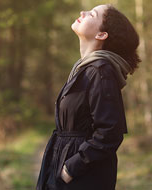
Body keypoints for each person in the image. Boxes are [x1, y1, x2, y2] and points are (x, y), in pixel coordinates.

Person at [36, 4, 140, 190]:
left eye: (92, 14)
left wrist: (71, 168)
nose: (82, 13)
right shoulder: (85, 69)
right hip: (68, 165)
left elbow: (110, 132)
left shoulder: (101, 71)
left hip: (83, 177)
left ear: (101, 34)